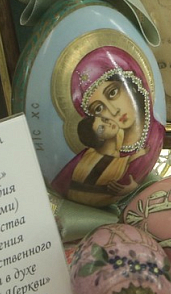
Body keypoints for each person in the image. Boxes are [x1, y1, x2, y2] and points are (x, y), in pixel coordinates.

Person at [51, 45, 164, 206]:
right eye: (99, 109)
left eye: (112, 93)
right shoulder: (87, 157)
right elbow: (65, 188)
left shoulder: (155, 137)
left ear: (132, 84)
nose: (113, 111)